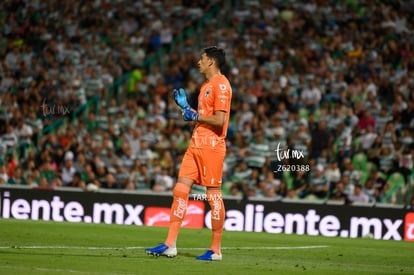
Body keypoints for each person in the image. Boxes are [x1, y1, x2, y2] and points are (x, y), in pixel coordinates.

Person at [145, 46, 232, 261]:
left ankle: (216, 249)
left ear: (212, 61)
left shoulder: (221, 85)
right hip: (195, 143)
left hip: (212, 146)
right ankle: (170, 244)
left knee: (213, 196)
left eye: (202, 59)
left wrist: (193, 114)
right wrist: (187, 109)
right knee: (180, 190)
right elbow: (202, 117)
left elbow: (220, 120)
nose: (198, 62)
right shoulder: (205, 87)